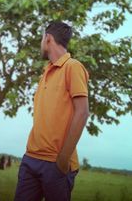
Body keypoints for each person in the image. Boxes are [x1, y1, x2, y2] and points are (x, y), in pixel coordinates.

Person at [14, 21, 90, 201]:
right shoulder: (45, 72)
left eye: (42, 38)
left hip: (56, 164)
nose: (41, 43)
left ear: (47, 38)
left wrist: (62, 160)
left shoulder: (73, 66)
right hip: (31, 159)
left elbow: (82, 112)